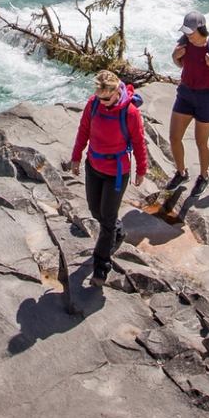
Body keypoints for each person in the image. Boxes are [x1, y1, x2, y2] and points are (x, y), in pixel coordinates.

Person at [66, 69, 149, 286]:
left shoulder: (130, 113)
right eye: (99, 97)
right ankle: (118, 232)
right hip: (94, 166)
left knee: (107, 220)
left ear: (116, 92)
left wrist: (141, 169)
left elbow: (139, 142)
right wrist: (76, 157)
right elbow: (83, 130)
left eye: (106, 98)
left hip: (116, 172)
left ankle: (101, 267)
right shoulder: (93, 104)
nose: (102, 101)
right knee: (96, 211)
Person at [166, 11, 209, 200]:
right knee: (174, 137)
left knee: (201, 143)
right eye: (186, 31)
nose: (187, 35)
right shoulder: (184, 42)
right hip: (185, 94)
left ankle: (203, 176)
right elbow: (181, 64)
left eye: (190, 31)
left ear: (200, 28)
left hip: (206, 98)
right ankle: (181, 173)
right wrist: (174, 56)